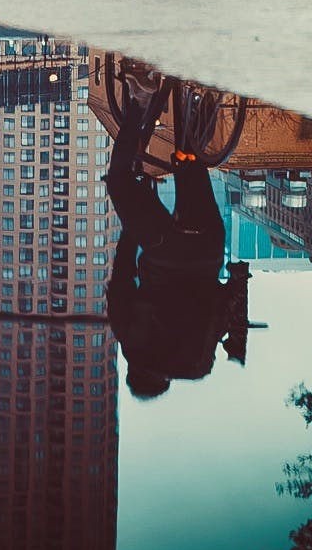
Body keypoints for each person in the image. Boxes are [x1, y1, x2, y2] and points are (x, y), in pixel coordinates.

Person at [104, 66, 250, 399]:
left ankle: (206, 96)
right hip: (166, 250)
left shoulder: (200, 358)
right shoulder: (134, 343)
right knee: (119, 182)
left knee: (191, 161)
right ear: (136, 374)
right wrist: (135, 219)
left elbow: (226, 310)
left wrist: (238, 278)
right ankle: (141, 99)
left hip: (209, 250)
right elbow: (123, 274)